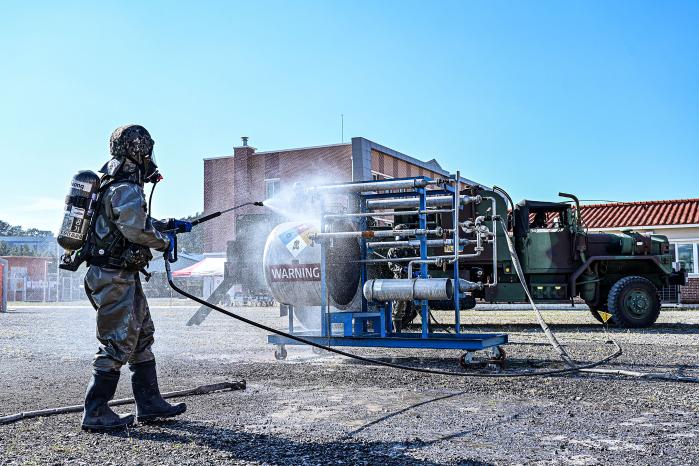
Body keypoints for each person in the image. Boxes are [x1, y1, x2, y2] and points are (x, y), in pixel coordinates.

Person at [80, 125, 191, 431]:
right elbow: (135, 229)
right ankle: (96, 411)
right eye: (147, 151)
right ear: (137, 150)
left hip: (122, 274)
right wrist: (163, 240)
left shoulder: (115, 185)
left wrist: (166, 225)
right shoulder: (125, 188)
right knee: (116, 342)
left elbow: (132, 223)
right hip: (114, 276)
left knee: (141, 335)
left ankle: (150, 404)